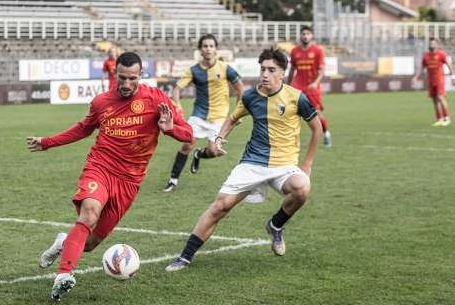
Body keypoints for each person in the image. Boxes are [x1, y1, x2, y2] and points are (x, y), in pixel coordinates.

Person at [27, 52, 193, 301]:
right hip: (101, 167)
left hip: (130, 181)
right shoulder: (101, 102)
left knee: (91, 243)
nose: (126, 85)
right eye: (122, 78)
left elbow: (189, 134)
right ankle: (63, 275)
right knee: (89, 213)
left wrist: (170, 130)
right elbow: (83, 128)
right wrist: (48, 142)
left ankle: (64, 243)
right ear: (115, 75)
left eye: (132, 79)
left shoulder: (156, 99)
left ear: (141, 76)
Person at [165, 47, 322, 272]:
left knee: (302, 188)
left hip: (284, 166)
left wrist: (306, 165)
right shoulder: (250, 96)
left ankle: (275, 225)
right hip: (252, 164)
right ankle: (185, 257)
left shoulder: (297, 98)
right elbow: (232, 119)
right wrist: (219, 138)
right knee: (220, 206)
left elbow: (316, 128)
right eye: (262, 69)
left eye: (271, 70)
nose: (265, 74)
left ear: (282, 72)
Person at [163, 33, 245, 192]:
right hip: (199, 115)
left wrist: (238, 111)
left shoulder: (224, 68)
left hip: (219, 117)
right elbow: (177, 89)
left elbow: (240, 87)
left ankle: (199, 155)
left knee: (214, 151)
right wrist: (178, 104)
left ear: (216, 50)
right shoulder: (193, 70)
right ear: (200, 50)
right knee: (187, 144)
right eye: (205, 46)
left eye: (211, 46)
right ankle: (173, 180)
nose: (208, 49)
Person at [288, 25, 331, 146]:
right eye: (303, 34)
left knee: (316, 113)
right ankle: (293, 139)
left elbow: (322, 70)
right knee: (292, 112)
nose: (305, 36)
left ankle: (326, 133)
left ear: (311, 36)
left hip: (312, 88)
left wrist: (316, 82)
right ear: (300, 36)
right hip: (298, 86)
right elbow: (292, 69)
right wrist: (287, 85)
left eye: (307, 34)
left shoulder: (318, 51)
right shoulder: (295, 51)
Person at [412, 37, 453, 127]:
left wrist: (453, 77)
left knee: (440, 97)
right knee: (434, 100)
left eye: (433, 43)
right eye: (430, 43)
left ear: (437, 45)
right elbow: (422, 67)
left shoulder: (441, 54)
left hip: (440, 79)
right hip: (431, 80)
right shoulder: (426, 56)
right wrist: (416, 76)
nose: (432, 45)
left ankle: (447, 118)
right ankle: (440, 119)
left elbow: (449, 65)